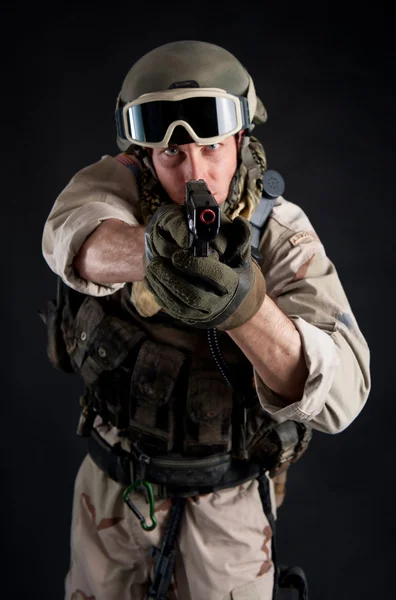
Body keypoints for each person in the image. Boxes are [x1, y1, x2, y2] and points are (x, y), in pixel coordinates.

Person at [41, 40, 370, 600]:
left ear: (242, 139)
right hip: (114, 492)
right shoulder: (119, 187)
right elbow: (71, 234)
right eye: (172, 155)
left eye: (213, 147)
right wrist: (150, 253)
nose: (196, 172)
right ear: (143, 155)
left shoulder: (282, 235)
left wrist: (244, 309)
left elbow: (343, 394)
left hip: (227, 505)